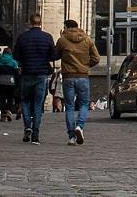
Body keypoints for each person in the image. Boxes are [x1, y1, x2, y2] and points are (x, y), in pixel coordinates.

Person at [12, 14, 57, 144]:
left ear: (29, 23)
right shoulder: (47, 37)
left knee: (25, 101)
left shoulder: (22, 37)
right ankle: (36, 135)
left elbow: (16, 55)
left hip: (27, 73)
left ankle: (27, 126)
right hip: (41, 74)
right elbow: (53, 55)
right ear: (40, 23)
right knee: (38, 104)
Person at [56, 18, 100, 146]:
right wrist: (85, 65)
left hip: (68, 76)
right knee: (84, 104)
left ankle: (71, 137)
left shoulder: (62, 40)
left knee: (69, 106)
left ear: (66, 27)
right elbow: (96, 58)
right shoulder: (87, 39)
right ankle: (79, 126)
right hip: (83, 76)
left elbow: (55, 55)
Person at [0, 49, 21, 121]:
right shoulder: (13, 62)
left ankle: (3, 114)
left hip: (0, 82)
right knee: (10, 98)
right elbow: (16, 74)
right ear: (10, 54)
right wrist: (17, 84)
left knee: (2, 98)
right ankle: (8, 111)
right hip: (11, 82)